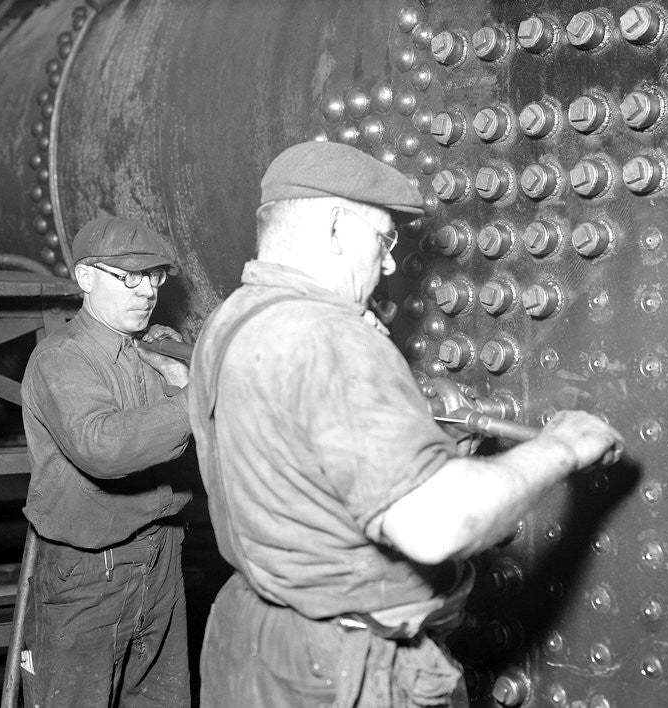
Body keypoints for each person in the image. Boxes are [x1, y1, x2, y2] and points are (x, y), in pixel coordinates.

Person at [187, 141, 625, 707]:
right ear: (337, 227)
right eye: (383, 238)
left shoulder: (235, 319)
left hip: (258, 641)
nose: (390, 262)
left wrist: (424, 448)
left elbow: (296, 464)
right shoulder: (329, 337)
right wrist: (563, 447)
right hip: (343, 671)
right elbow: (436, 525)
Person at [20, 213, 194, 707]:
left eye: (155, 277)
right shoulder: (62, 358)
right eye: (130, 277)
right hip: (90, 572)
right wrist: (195, 400)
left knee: (160, 700)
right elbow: (102, 447)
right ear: (86, 277)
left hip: (162, 557)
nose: (147, 292)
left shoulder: (151, 352)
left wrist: (180, 379)